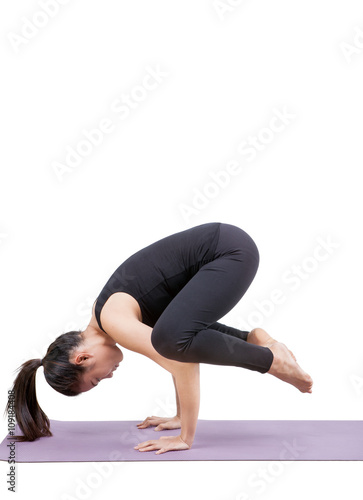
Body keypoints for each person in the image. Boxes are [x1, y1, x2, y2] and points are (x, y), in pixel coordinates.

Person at [5, 222, 313, 455]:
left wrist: (185, 437)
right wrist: (180, 415)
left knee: (171, 341)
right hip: (227, 247)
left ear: (83, 358)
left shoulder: (113, 321)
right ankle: (254, 340)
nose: (108, 378)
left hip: (230, 252)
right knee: (174, 335)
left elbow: (183, 363)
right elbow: (184, 349)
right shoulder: (115, 317)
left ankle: (272, 362)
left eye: (96, 380)